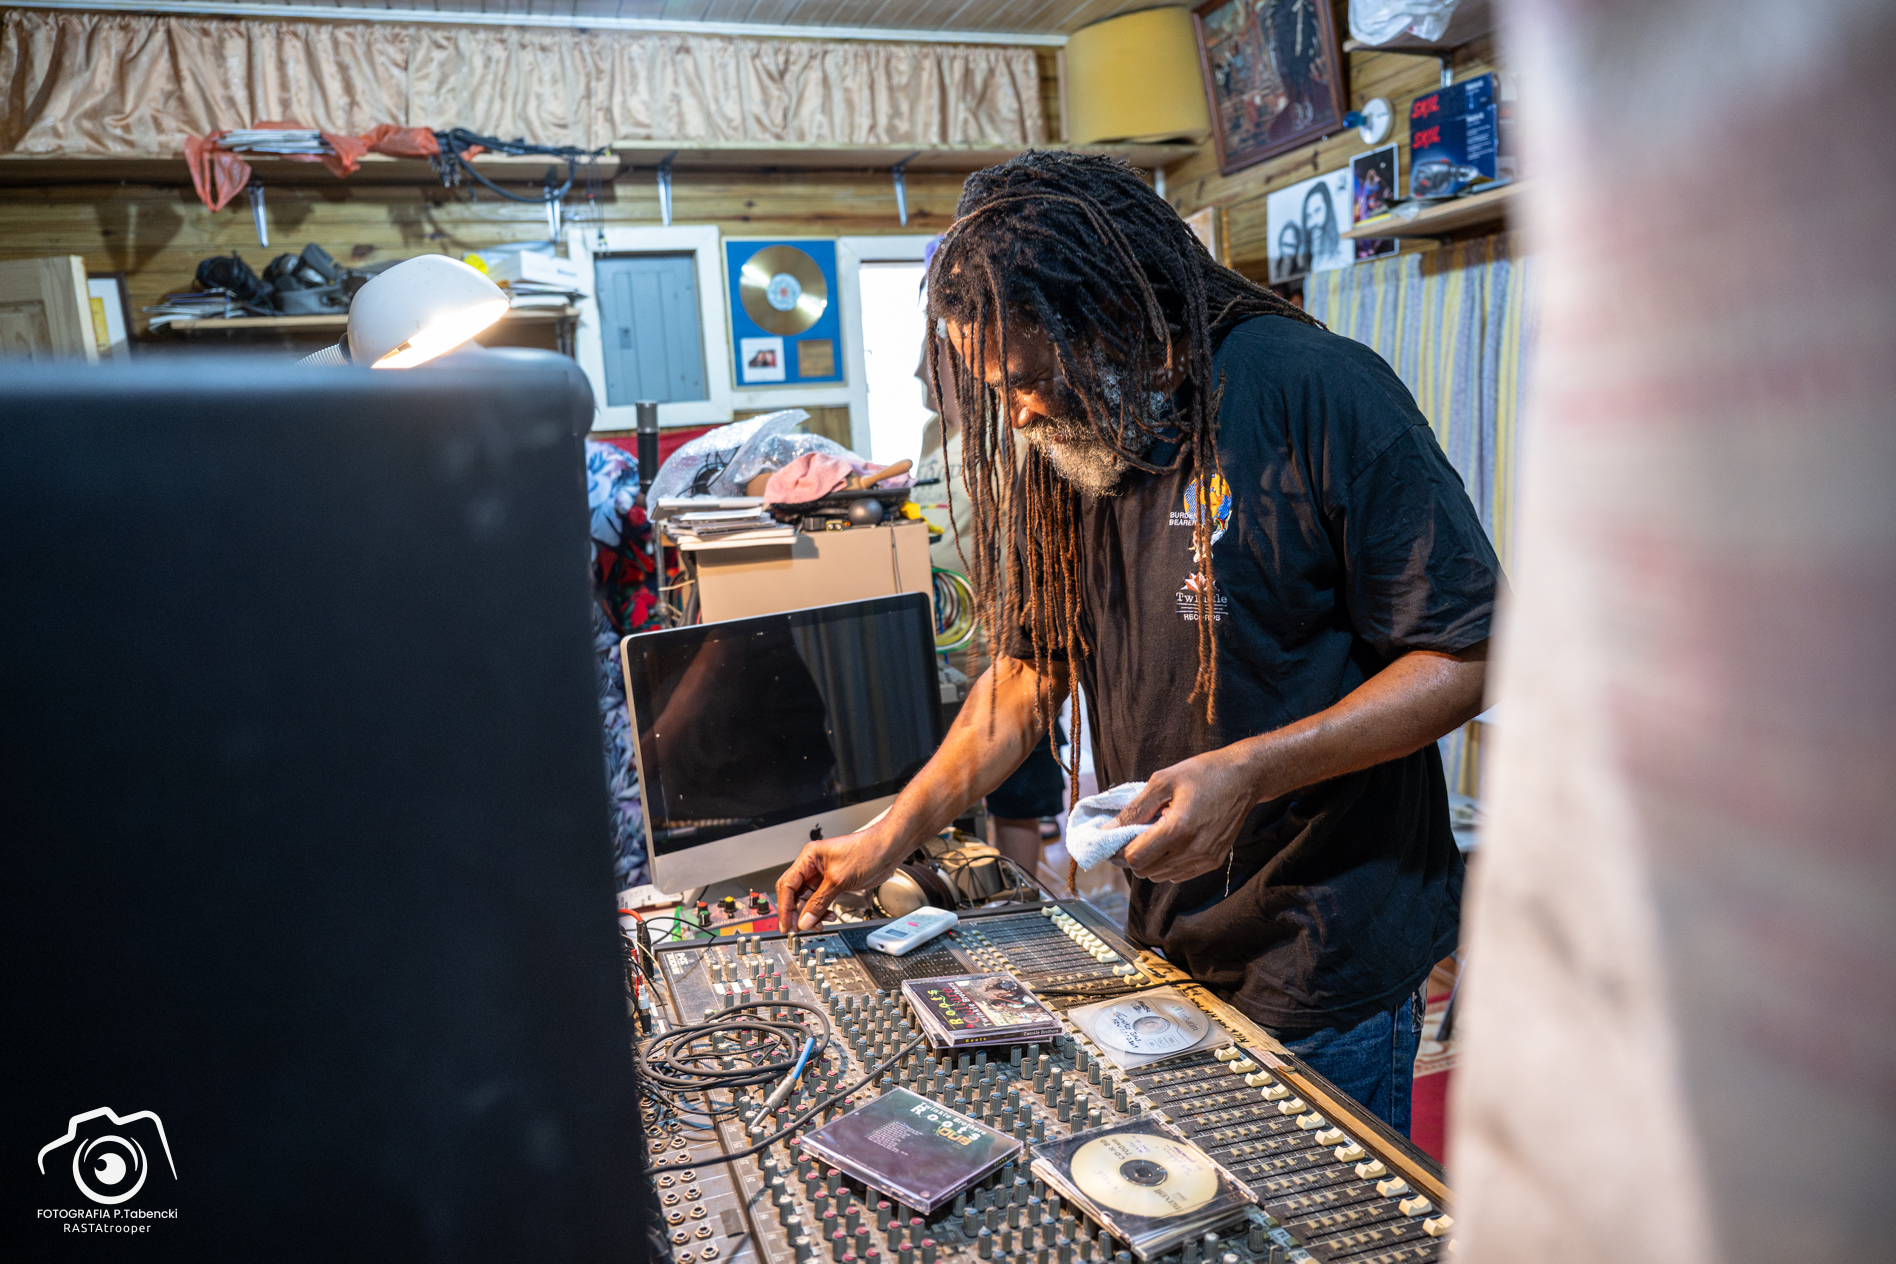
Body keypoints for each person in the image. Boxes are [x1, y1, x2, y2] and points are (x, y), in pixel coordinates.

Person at [775, 151, 1497, 1135]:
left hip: (1327, 940)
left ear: (1111, 311)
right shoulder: (1066, 442)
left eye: (1028, 379)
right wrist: (886, 834)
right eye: (997, 392)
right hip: (1167, 934)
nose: (1018, 411)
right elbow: (1028, 670)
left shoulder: (1316, 389)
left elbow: (1465, 653)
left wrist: (1250, 769)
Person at [914, 338, 1069, 875]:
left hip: (1005, 648)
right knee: (954, 783)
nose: (924, 388)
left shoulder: (1014, 432)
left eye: (933, 374)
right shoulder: (933, 439)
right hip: (942, 649)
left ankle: (1026, 897)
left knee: (1017, 794)